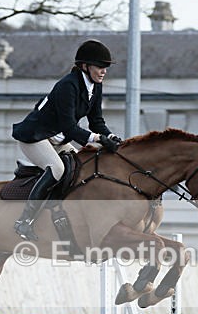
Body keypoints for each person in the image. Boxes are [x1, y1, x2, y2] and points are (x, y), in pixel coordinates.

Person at [11, 39, 122, 241]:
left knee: (82, 165)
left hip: (58, 138)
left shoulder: (95, 86)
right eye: (100, 66)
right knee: (58, 169)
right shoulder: (67, 86)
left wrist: (110, 136)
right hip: (35, 137)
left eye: (106, 67)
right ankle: (24, 221)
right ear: (85, 66)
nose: (104, 71)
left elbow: (96, 121)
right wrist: (98, 139)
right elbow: (69, 126)